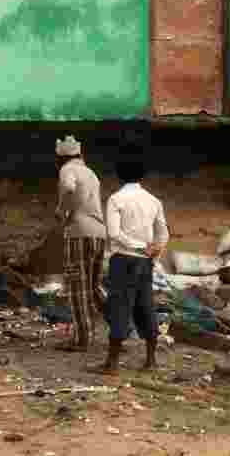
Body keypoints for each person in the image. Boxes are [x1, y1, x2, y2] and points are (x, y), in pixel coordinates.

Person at [99, 154, 168, 375]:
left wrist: (138, 247)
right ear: (142, 175)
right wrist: (154, 254)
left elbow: (114, 233)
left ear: (119, 174)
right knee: (145, 306)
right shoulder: (153, 200)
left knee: (119, 306)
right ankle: (150, 360)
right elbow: (163, 234)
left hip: (124, 260)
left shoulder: (116, 199)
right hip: (145, 262)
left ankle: (112, 364)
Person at [55, 135, 107, 352]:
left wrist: (62, 209)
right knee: (94, 288)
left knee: (78, 288)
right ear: (80, 154)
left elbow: (68, 187)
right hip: (99, 234)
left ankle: (82, 340)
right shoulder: (90, 172)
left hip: (79, 233)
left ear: (60, 158)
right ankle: (120, 329)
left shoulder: (67, 169)